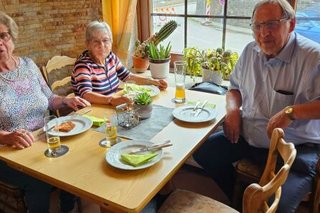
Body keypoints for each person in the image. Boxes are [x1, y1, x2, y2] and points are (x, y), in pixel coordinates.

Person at [193, 0, 320, 212]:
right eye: (257, 26)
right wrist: (233, 110)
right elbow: (234, 89)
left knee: (276, 207)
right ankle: (241, 202)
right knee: (205, 153)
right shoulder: (250, 51)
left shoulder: (313, 57)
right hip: (250, 136)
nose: (264, 33)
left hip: (296, 148)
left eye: (272, 24)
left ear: (292, 24)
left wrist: (292, 112)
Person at [0, 11, 91, 212]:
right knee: (38, 181)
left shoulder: (28, 65)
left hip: (45, 139)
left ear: (11, 37)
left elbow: (50, 100)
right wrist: (7, 137)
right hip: (9, 153)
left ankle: (67, 208)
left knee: (75, 158)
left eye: (2, 36)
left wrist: (68, 100)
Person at [72, 20, 168, 106]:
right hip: (92, 110)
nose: (102, 45)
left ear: (111, 42)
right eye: (96, 42)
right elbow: (87, 95)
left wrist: (153, 81)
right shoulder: (83, 65)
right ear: (88, 44)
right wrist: (112, 100)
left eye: (105, 40)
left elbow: (128, 76)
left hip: (110, 105)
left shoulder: (110, 57)